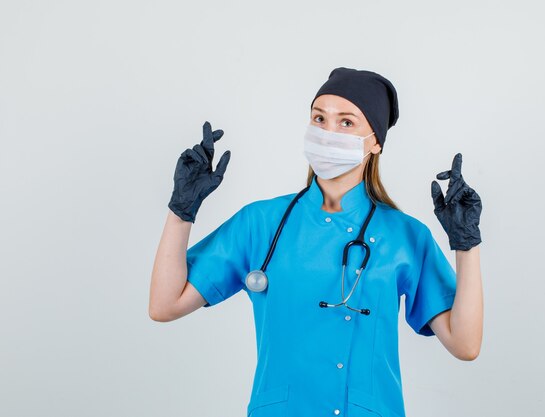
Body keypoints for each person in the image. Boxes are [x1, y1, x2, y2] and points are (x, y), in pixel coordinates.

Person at [149, 67, 484, 417]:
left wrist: (466, 244)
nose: (328, 132)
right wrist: (181, 210)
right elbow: (164, 305)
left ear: (376, 142)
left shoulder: (404, 235)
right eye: (319, 118)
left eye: (347, 123)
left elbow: (465, 345)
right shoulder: (261, 223)